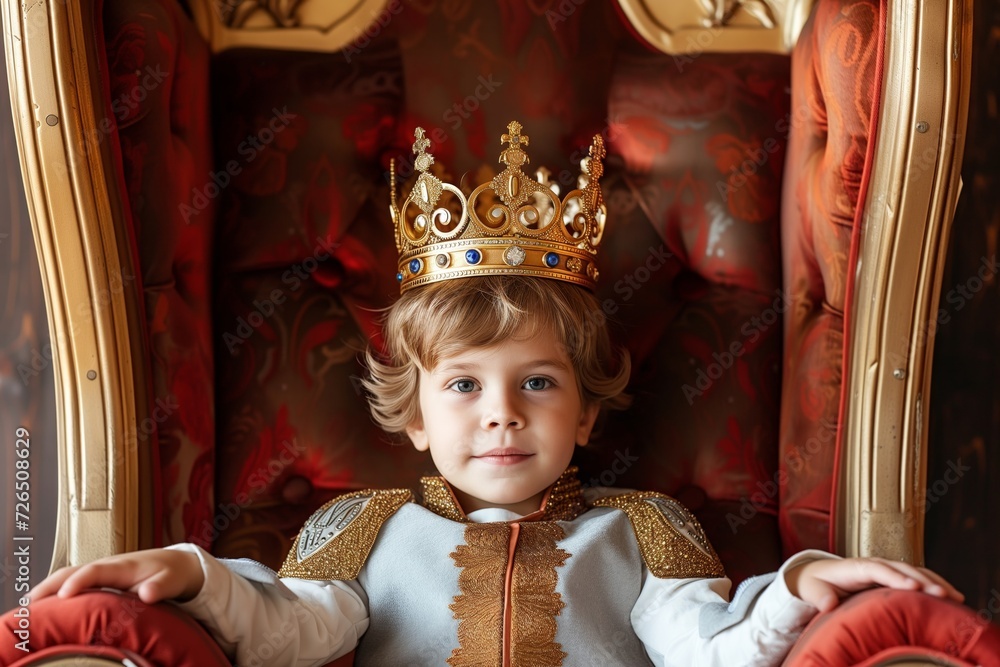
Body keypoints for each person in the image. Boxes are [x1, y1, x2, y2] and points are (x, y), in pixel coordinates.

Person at [18, 123, 976, 666]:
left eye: (540, 383)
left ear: (588, 412)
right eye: (465, 384)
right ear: (417, 415)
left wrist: (801, 585)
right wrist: (193, 573)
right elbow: (288, 633)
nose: (502, 411)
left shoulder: (644, 527)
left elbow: (712, 653)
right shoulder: (364, 528)